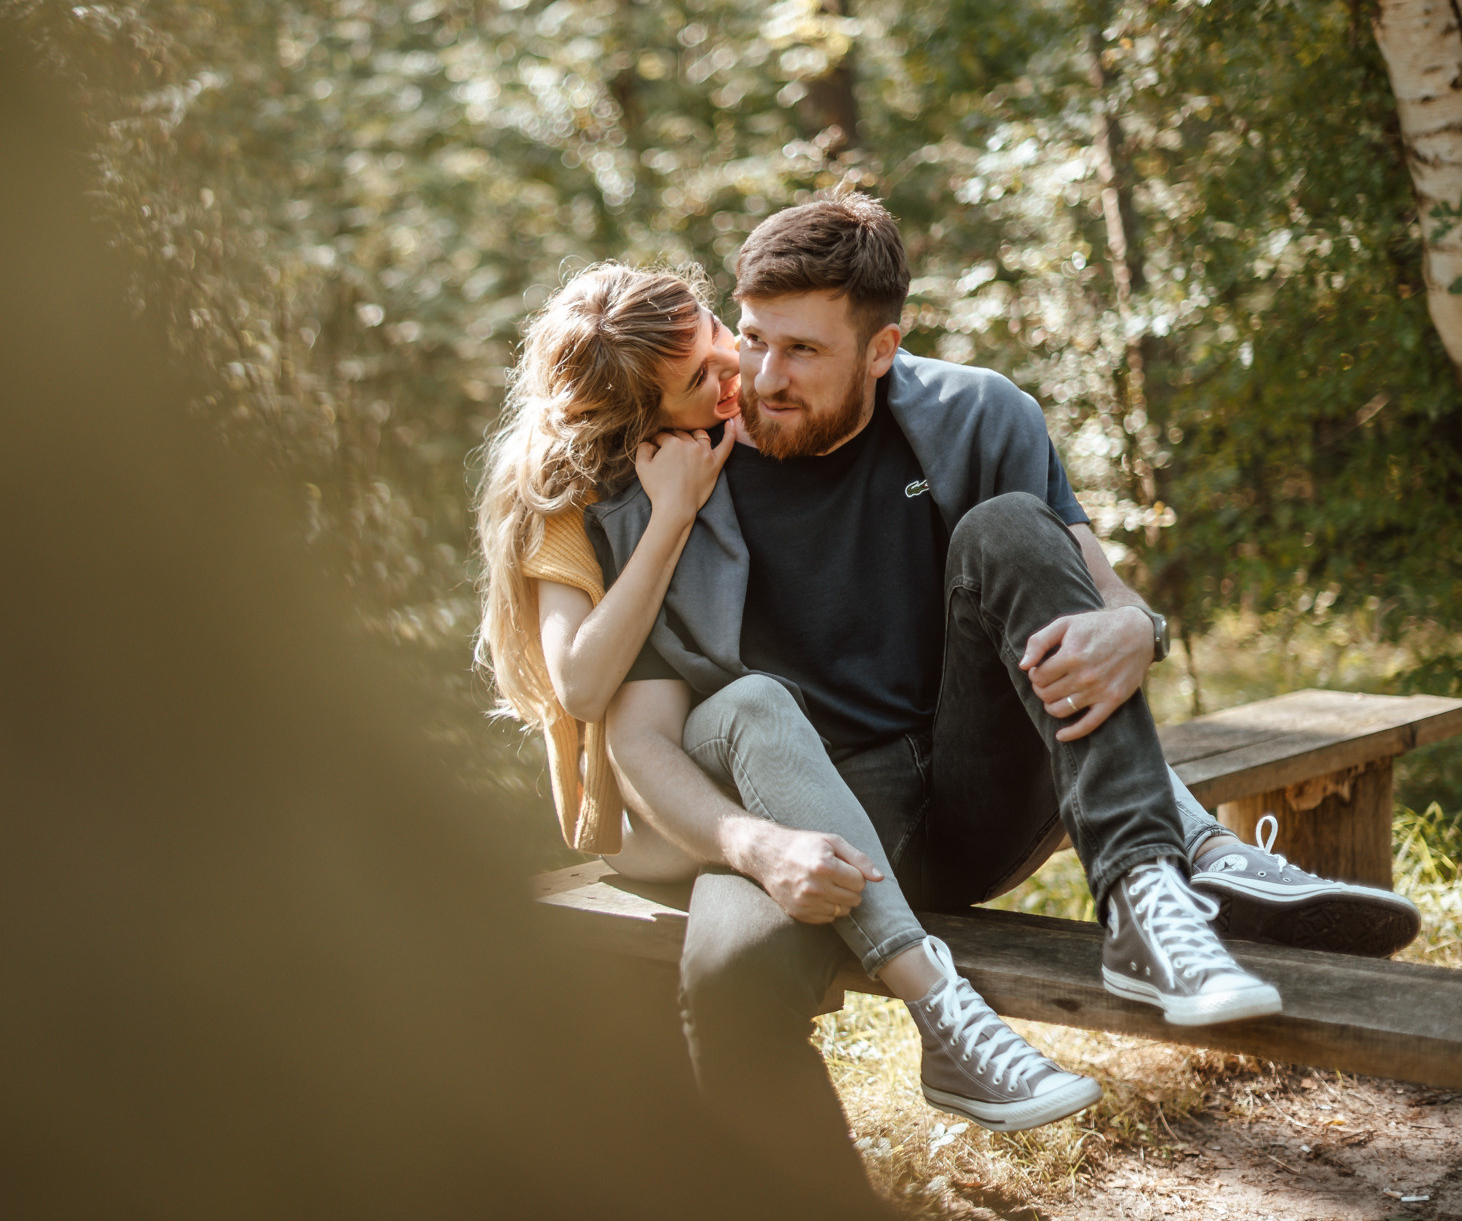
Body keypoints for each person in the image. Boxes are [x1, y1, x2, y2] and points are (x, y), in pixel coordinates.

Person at [592, 192, 1423, 1172]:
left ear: (882, 347)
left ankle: (1144, 891)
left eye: (805, 353)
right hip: (808, 812)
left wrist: (1138, 628)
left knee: (1008, 524)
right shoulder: (670, 478)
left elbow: (1098, 591)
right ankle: (1186, 844)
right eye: (756, 337)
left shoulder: (976, 414)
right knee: (729, 979)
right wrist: (751, 843)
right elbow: (636, 735)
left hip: (979, 788)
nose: (764, 377)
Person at [475, 261, 1102, 1154]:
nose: (740, 371)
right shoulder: (581, 497)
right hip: (646, 805)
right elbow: (585, 692)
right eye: (703, 378)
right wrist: (670, 517)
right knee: (754, 704)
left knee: (759, 707)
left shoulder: (718, 429)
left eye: (719, 335)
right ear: (644, 419)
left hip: (758, 757)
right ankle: (937, 1002)